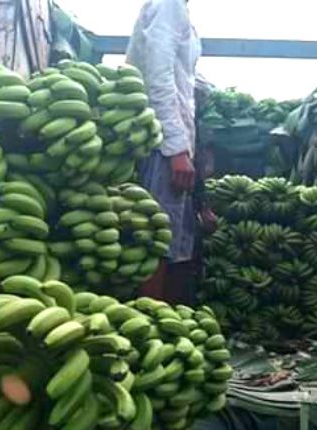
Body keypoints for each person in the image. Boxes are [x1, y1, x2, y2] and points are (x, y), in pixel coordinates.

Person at [126, 0, 215, 304]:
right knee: (159, 240)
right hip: (161, 143)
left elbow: (180, 77)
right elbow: (158, 77)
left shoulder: (179, 12)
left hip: (171, 138)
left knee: (174, 241)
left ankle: (165, 320)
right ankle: (151, 324)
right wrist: (176, 149)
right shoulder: (169, 5)